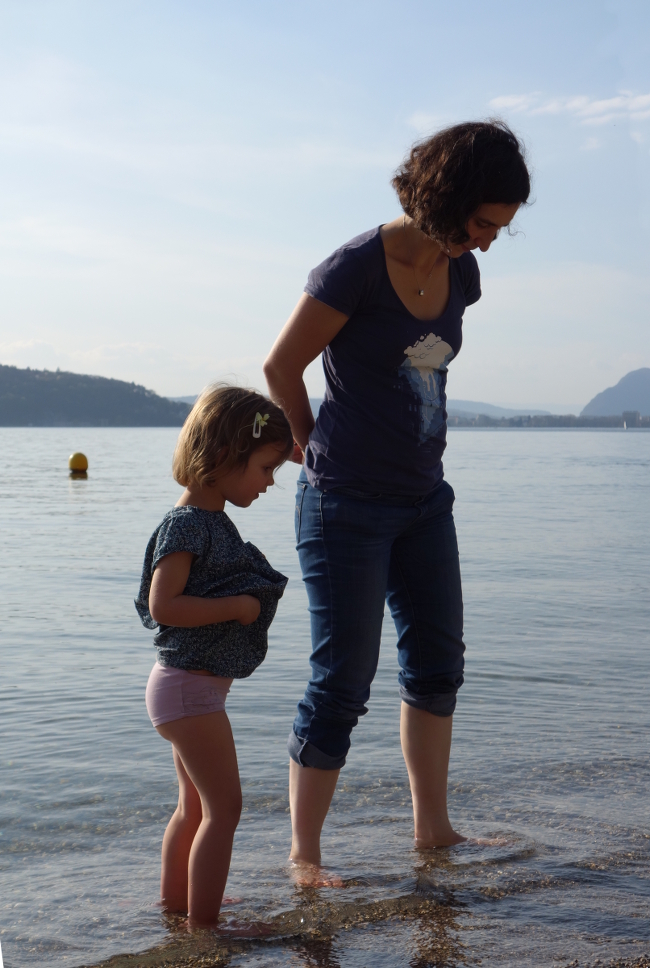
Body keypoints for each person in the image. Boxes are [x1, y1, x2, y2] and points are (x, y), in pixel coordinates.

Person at [263, 120, 531, 882]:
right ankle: (304, 857)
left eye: (500, 230)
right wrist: (306, 442)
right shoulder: (352, 269)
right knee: (342, 682)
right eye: (482, 224)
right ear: (445, 198)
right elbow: (281, 366)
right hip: (344, 503)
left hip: (424, 502)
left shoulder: (462, 275)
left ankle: (433, 831)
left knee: (438, 667)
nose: (486, 244)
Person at [135, 385, 294, 929]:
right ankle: (204, 928)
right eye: (266, 468)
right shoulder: (188, 524)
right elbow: (163, 605)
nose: (269, 483)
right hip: (189, 692)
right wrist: (238, 606)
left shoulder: (205, 519)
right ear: (225, 455)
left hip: (183, 688)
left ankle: (177, 907)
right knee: (225, 809)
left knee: (195, 808)